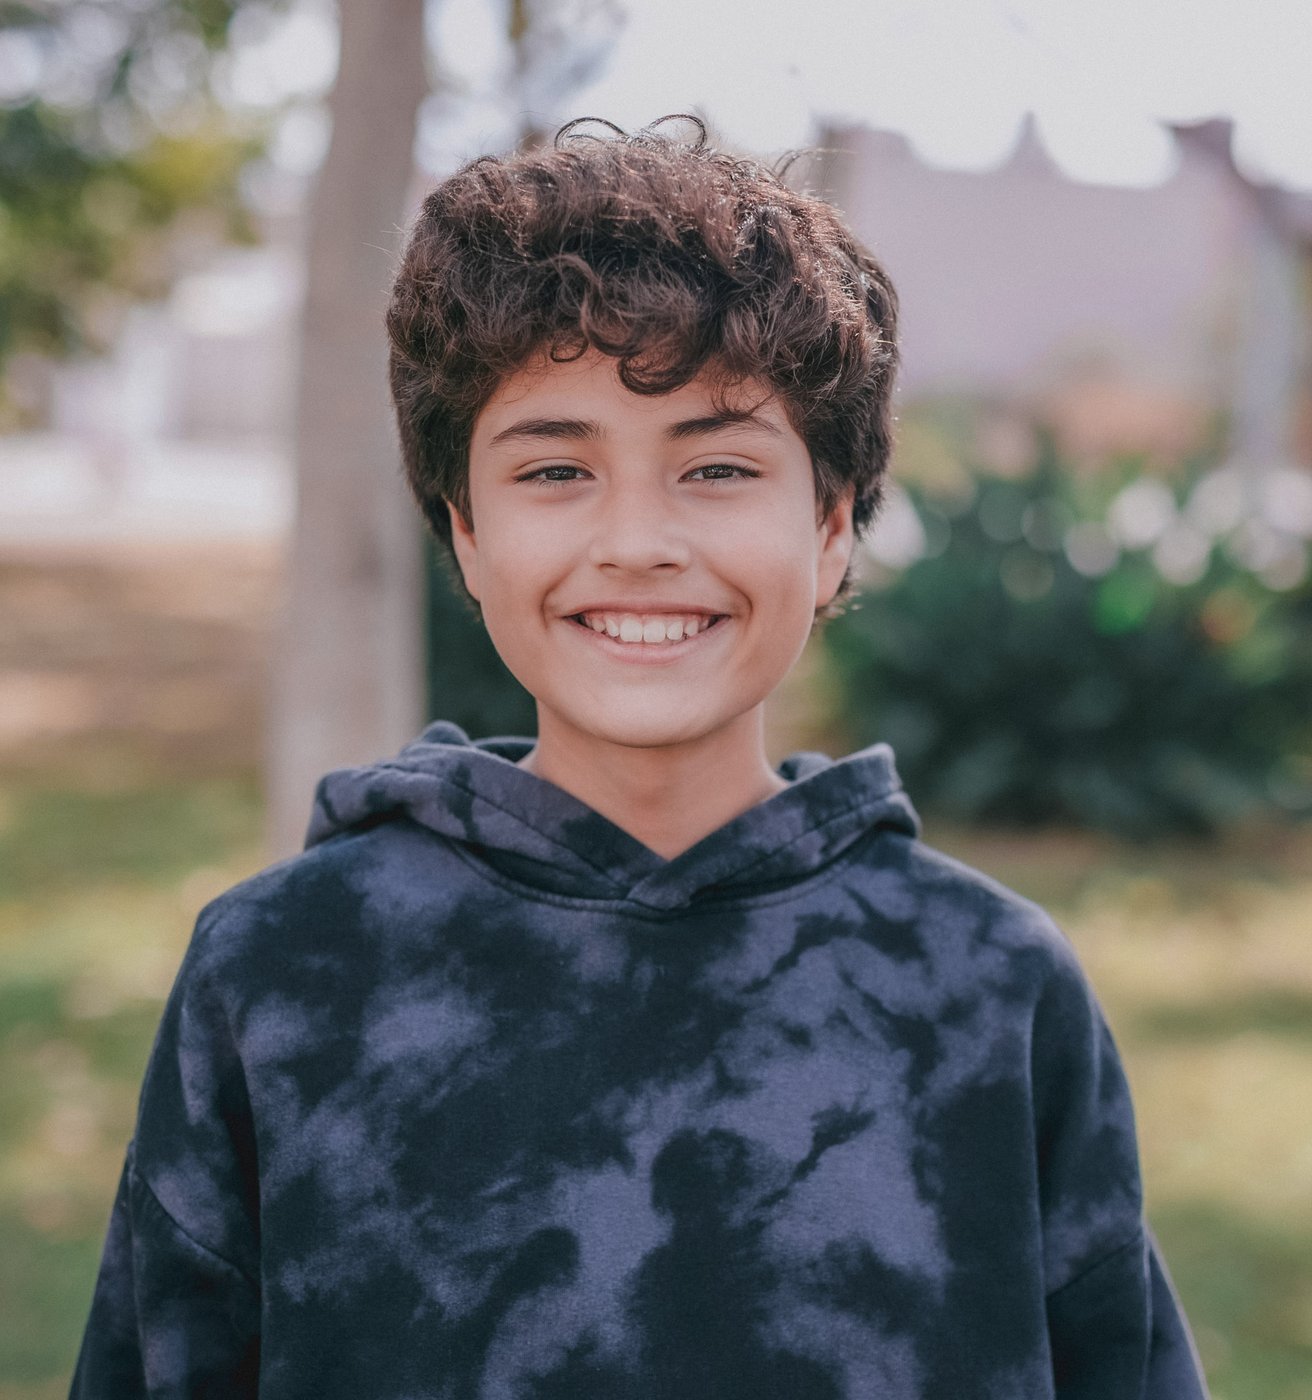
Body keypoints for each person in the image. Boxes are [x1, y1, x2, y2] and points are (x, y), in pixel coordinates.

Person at [71, 115, 1209, 1399]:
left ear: (831, 528)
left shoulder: (990, 987)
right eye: (555, 468)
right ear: (466, 536)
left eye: (718, 466)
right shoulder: (283, 967)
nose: (637, 541)